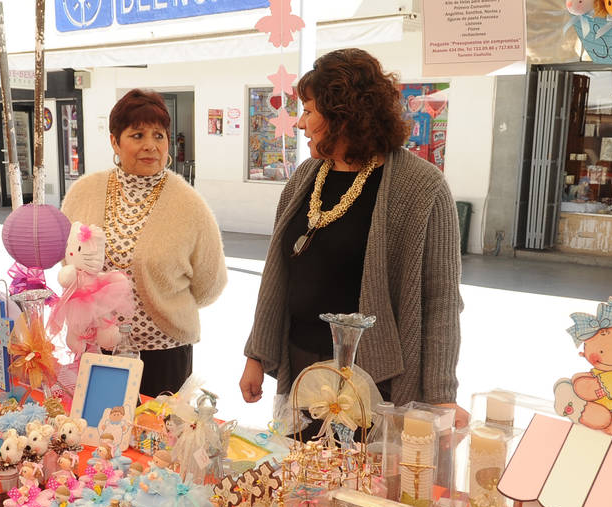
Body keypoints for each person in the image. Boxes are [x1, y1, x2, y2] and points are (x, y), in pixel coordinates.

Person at [240, 48, 469, 428]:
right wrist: (257, 355)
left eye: (309, 111)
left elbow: (441, 300)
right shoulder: (305, 177)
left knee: (364, 466)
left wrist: (441, 395)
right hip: (303, 366)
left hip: (377, 380)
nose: (300, 124)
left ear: (343, 116)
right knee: (300, 466)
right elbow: (278, 273)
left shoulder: (421, 186)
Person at [61, 88, 226, 398]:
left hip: (164, 351)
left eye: (159, 136)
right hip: (97, 347)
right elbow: (68, 259)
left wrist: (164, 301)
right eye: (137, 135)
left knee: (158, 428)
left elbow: (210, 284)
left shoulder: (190, 205)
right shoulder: (84, 192)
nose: (150, 145)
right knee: (97, 426)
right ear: (115, 141)